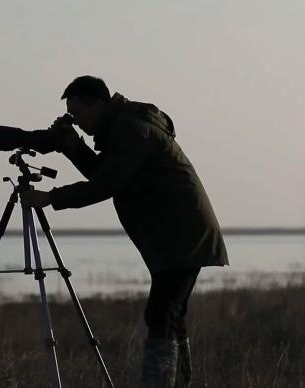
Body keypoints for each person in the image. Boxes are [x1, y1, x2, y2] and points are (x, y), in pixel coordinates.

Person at [21, 75, 229, 388]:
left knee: (161, 313)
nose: (77, 122)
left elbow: (106, 184)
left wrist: (51, 198)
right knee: (170, 315)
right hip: (176, 234)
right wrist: (73, 148)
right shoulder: (124, 127)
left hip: (182, 234)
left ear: (99, 104)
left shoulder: (131, 129)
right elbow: (110, 174)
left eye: (78, 115)